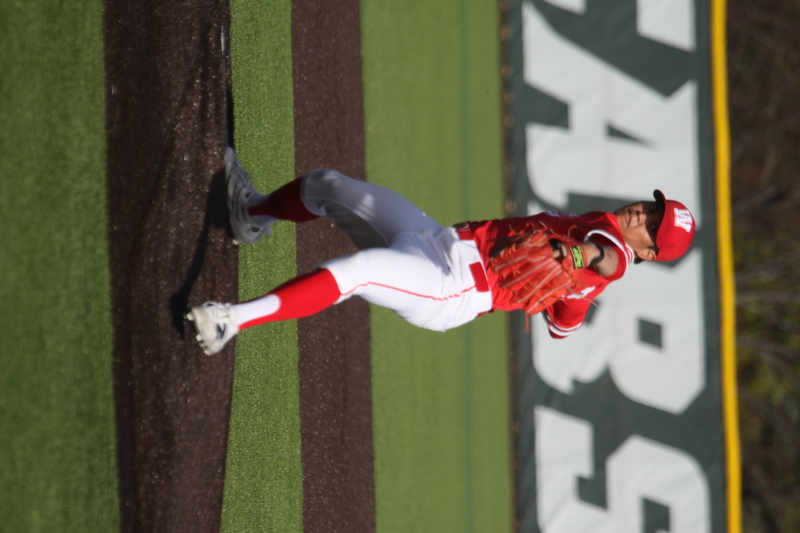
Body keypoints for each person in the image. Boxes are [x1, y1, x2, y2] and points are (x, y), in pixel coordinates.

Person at [186, 148, 696, 355]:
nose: (643, 217)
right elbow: (563, 325)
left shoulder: (615, 254)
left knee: (359, 272)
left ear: (650, 253)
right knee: (331, 187)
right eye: (653, 209)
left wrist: (585, 265)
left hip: (449, 288)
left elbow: (602, 258)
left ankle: (233, 320)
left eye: (654, 227)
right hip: (438, 239)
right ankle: (248, 214)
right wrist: (572, 304)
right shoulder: (606, 222)